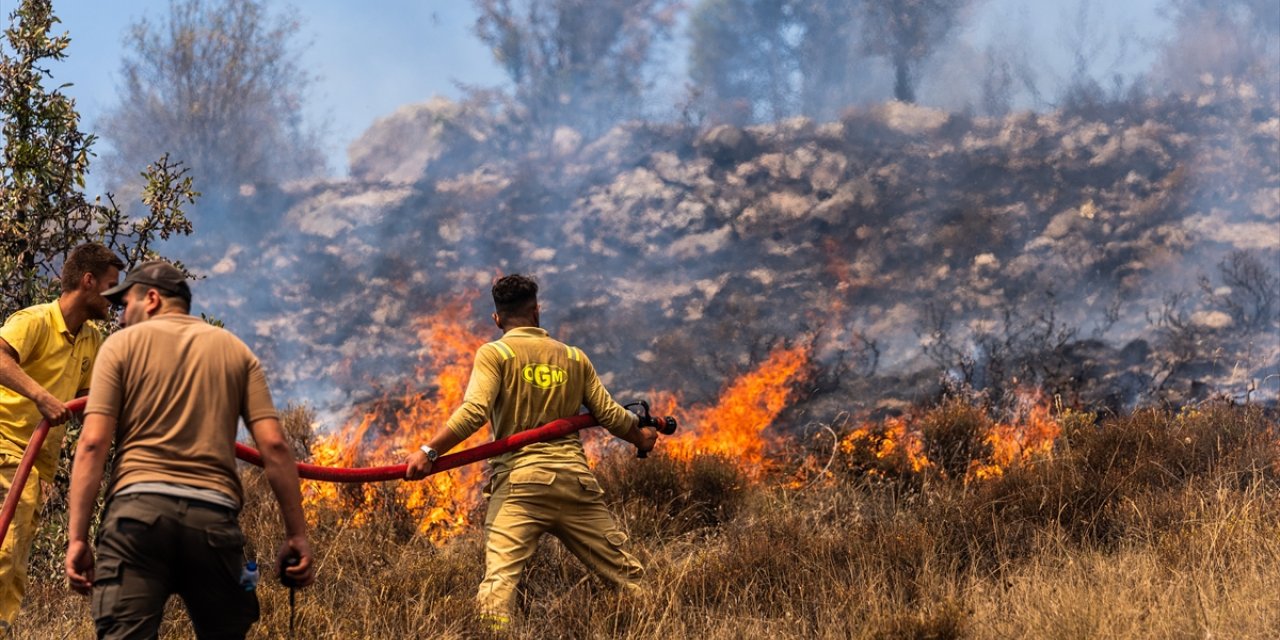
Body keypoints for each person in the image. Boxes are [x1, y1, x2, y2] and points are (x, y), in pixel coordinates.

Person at [63, 260, 315, 639]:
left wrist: (78, 539)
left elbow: (93, 442)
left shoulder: (119, 347)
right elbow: (276, 447)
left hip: (136, 520)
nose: (120, 316)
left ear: (150, 299)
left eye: (125, 304)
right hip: (213, 522)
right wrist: (297, 534)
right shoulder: (236, 350)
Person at [404, 274, 659, 630]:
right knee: (631, 580)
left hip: (521, 487)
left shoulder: (497, 353)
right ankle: (666, 628)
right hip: (575, 485)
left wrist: (429, 451)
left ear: (497, 319)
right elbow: (611, 415)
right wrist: (641, 438)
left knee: (498, 589)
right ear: (536, 311)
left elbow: (475, 411)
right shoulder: (574, 357)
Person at [0, 243, 123, 633]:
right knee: (6, 549)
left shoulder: (90, 340)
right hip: (6, 447)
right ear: (88, 282)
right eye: (110, 286)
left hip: (35, 466)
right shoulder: (34, 321)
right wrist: (40, 396)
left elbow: (94, 404)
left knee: (14, 558)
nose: (115, 299)